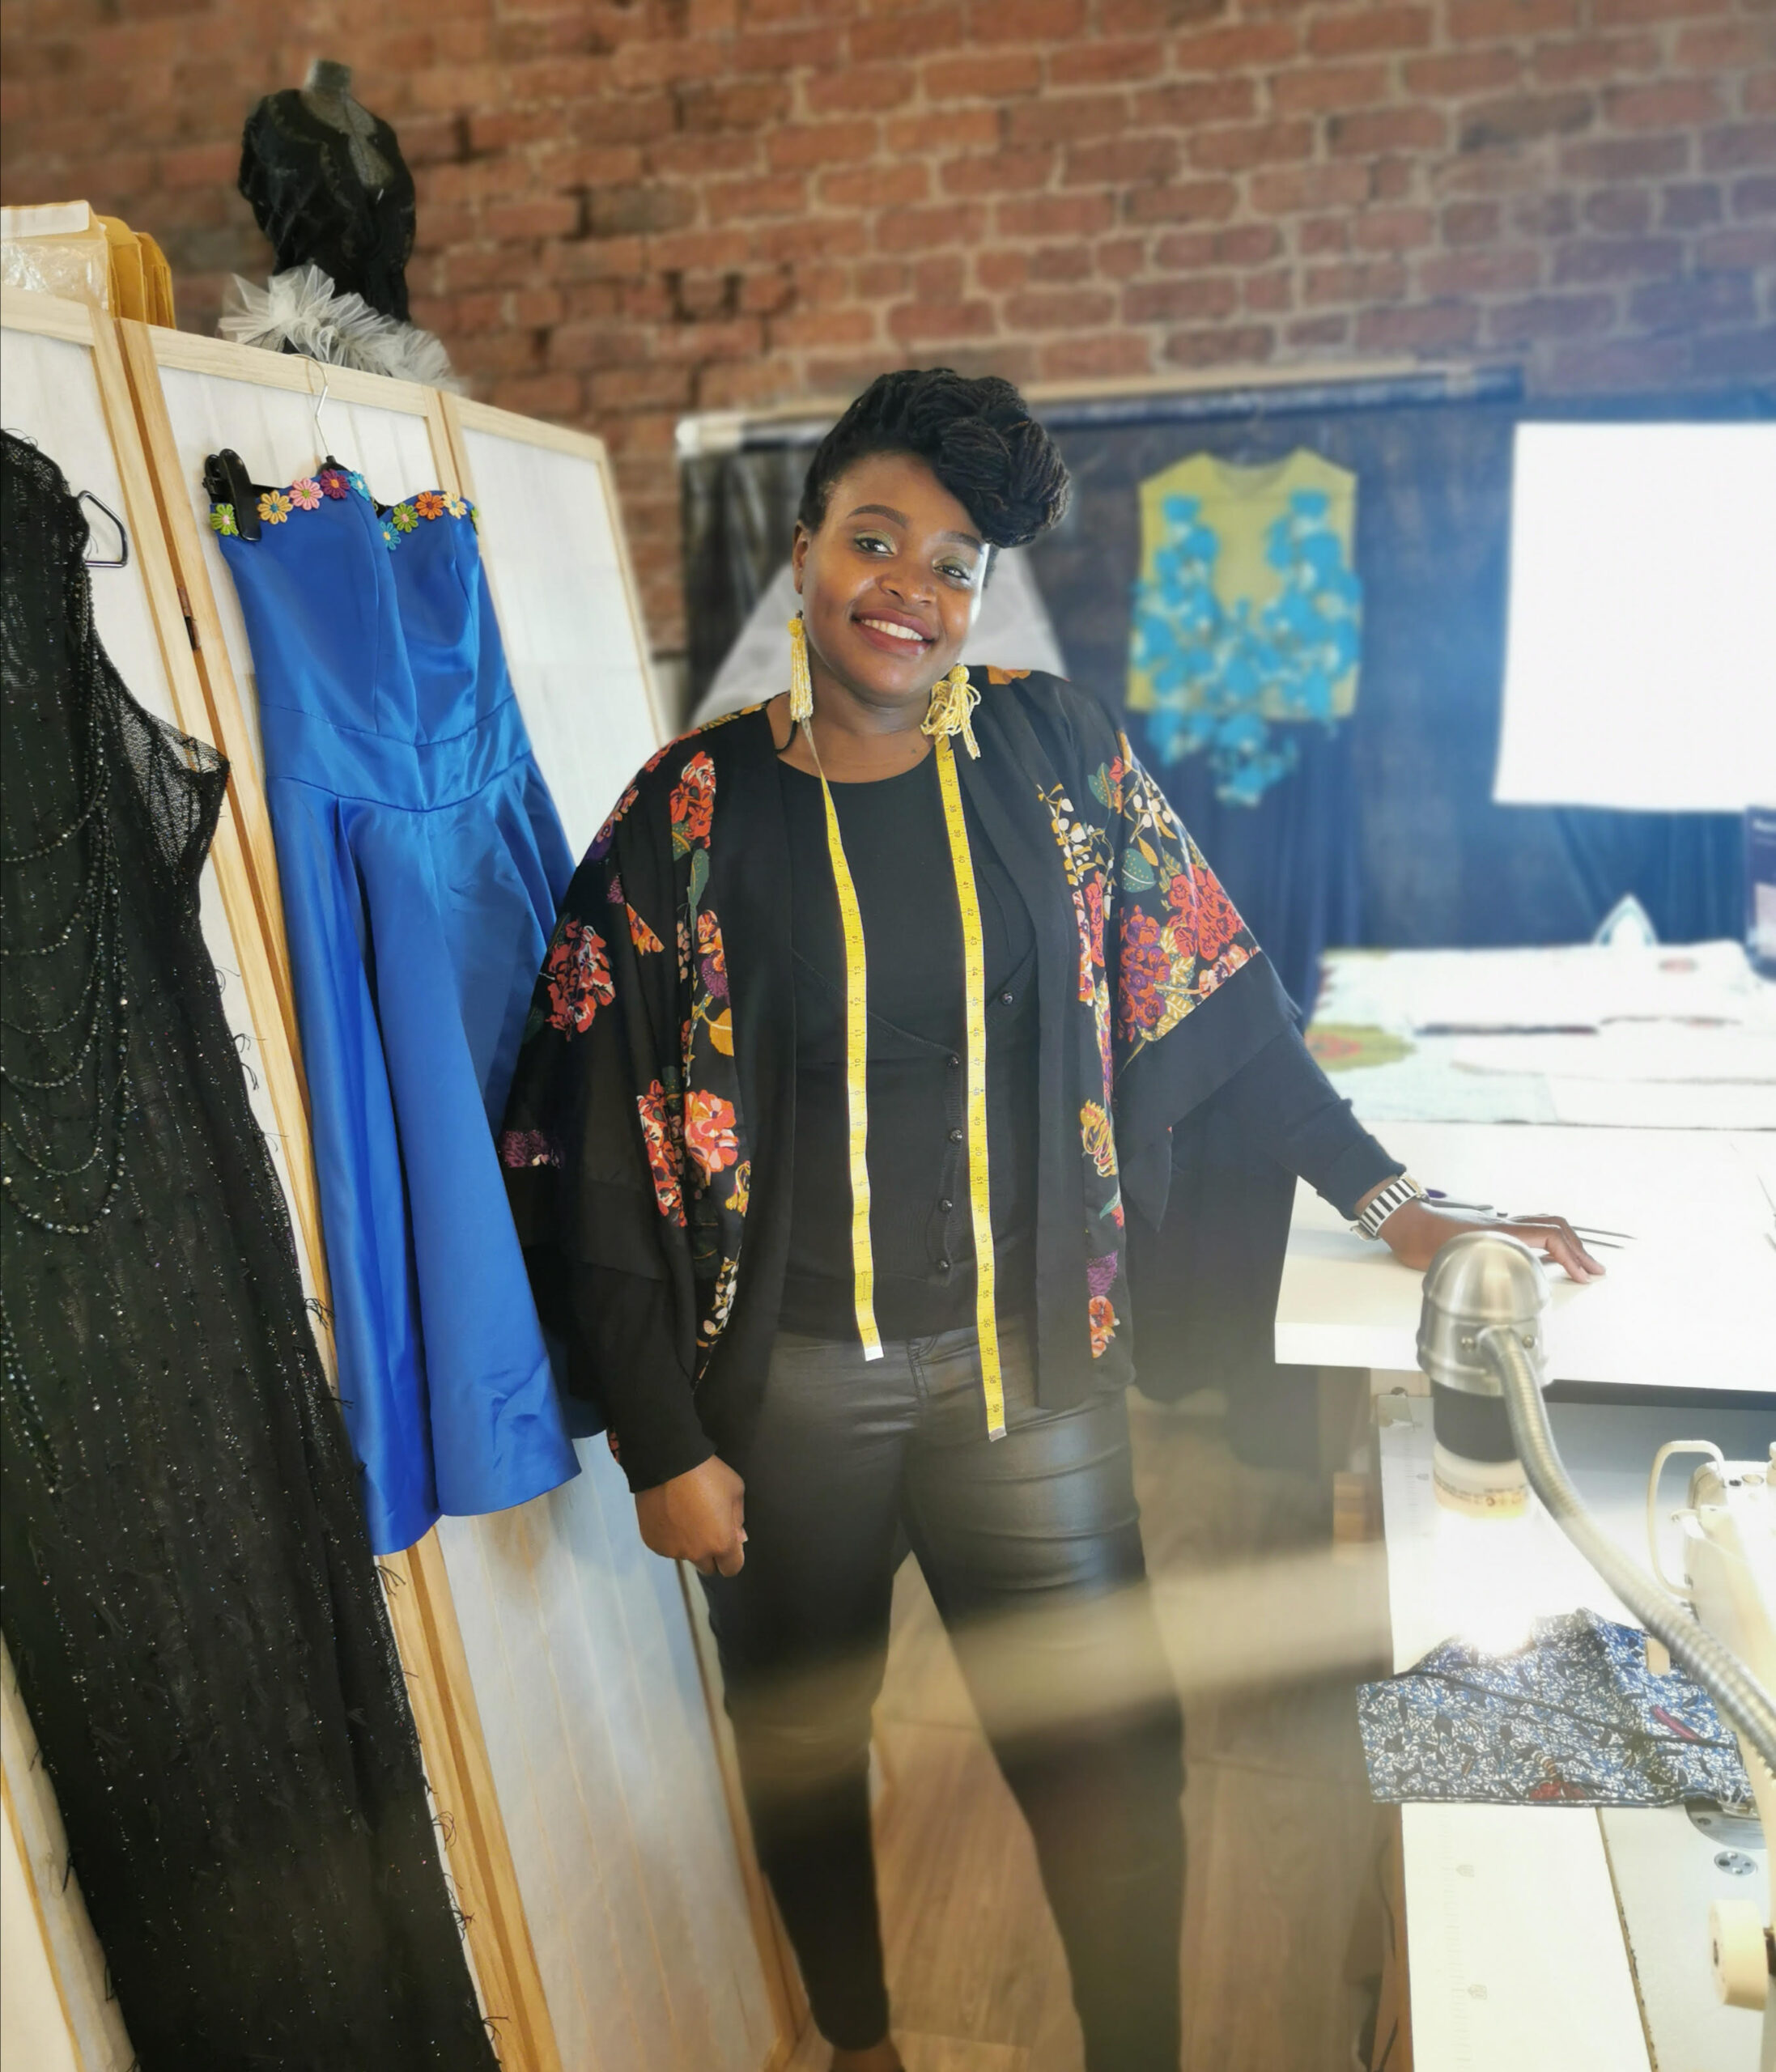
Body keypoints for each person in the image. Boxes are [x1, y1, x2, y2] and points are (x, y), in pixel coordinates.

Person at [499, 368, 1602, 2072]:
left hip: (1029, 1381)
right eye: (874, 541)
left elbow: (1212, 996)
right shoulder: (684, 814)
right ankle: (857, 2043)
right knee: (802, 1744)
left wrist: (1389, 1200)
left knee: (1113, 1768)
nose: (909, 590)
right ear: (801, 552)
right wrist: (660, 1436)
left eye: (953, 564)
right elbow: (599, 1126)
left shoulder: (1051, 755)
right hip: (787, 1398)